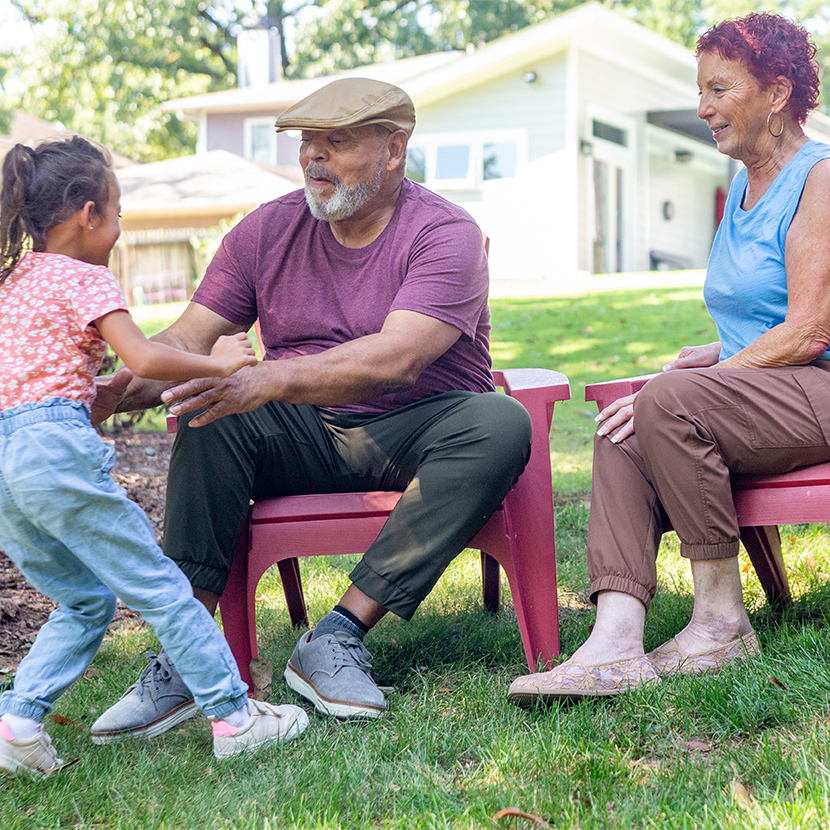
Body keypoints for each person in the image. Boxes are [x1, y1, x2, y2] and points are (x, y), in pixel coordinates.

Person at [90, 78, 533, 734]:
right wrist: (97, 399)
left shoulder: (446, 233)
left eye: (338, 141)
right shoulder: (263, 232)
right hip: (303, 434)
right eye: (307, 142)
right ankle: (186, 652)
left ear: (393, 149)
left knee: (500, 421)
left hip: (418, 430)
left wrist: (266, 380)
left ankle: (338, 635)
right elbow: (185, 343)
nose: (313, 158)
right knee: (213, 407)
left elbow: (397, 358)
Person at [509, 12, 830, 705]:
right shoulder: (745, 185)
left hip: (821, 387)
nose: (703, 107)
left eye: (720, 90)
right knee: (624, 426)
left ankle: (720, 622)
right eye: (700, 90)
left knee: (665, 400)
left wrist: (702, 380)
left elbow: (809, 330)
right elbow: (779, 308)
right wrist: (716, 351)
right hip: (781, 385)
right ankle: (615, 640)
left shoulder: (820, 178)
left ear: (777, 94)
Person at [0, 137, 309, 777]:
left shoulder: (11, 284)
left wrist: (93, 391)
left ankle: (17, 722)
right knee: (165, 588)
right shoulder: (85, 278)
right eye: (116, 214)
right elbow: (144, 358)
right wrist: (217, 360)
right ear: (88, 214)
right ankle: (235, 717)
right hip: (55, 455)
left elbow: (37, 383)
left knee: (84, 601)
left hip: (7, 462)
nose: (117, 230)